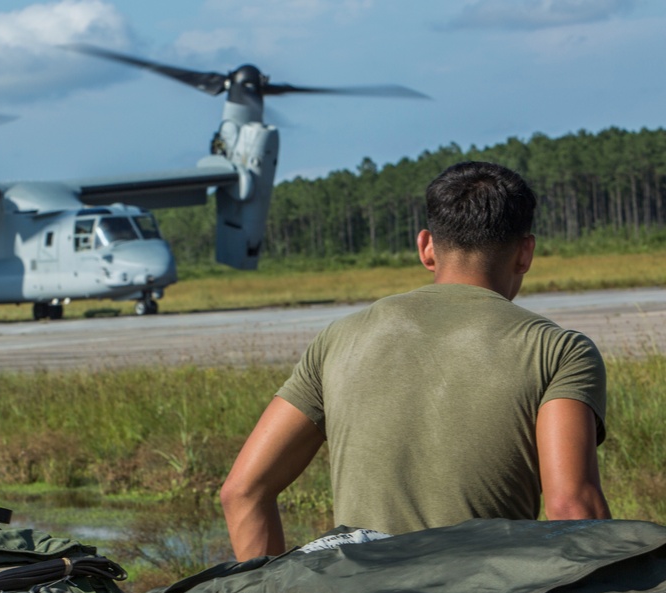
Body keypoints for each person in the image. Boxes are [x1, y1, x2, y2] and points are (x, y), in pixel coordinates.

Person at [220, 161, 611, 560]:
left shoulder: (339, 338)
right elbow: (571, 509)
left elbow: (243, 491)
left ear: (426, 247)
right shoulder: (559, 351)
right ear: (525, 253)